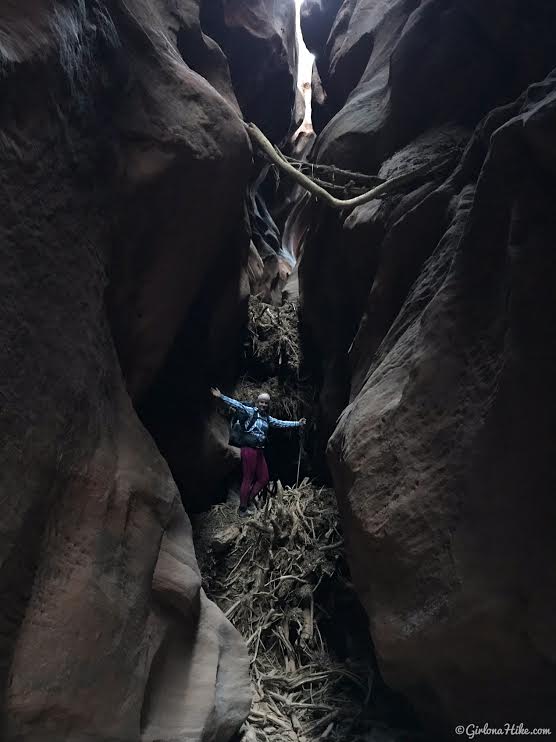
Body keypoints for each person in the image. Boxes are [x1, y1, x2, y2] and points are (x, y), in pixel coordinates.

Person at [211, 387, 306, 517]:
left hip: (260, 451)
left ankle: (247, 500)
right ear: (257, 402)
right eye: (261, 402)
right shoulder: (251, 412)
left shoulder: (267, 418)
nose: (263, 405)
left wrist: (297, 423)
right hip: (249, 449)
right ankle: (242, 509)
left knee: (264, 478)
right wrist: (221, 396)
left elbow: (281, 423)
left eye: (266, 403)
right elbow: (237, 404)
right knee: (248, 478)